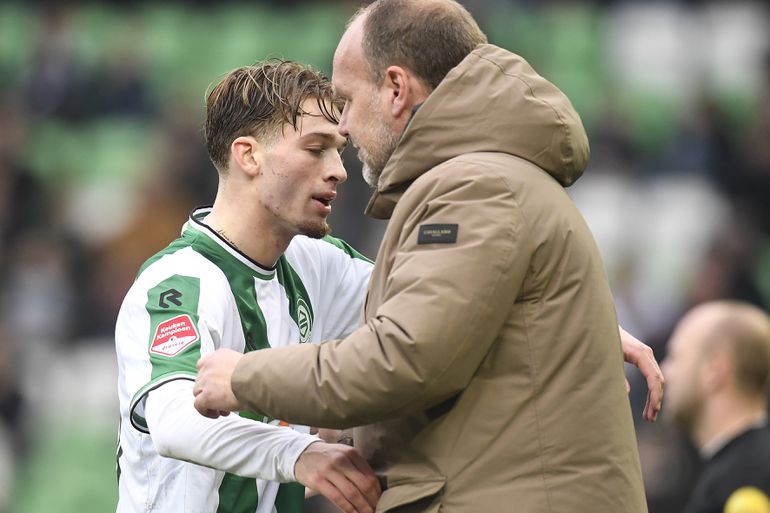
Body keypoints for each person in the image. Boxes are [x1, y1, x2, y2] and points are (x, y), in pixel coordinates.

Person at [194, 1, 659, 512]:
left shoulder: (474, 187)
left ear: (396, 89)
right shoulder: (485, 178)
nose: (345, 128)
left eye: (347, 100)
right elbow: (448, 325)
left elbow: (404, 358)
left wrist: (242, 377)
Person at [115, 61, 381, 513]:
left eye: (339, 150)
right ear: (249, 156)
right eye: (316, 149)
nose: (339, 170)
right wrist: (299, 453)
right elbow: (174, 422)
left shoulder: (316, 263)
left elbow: (418, 307)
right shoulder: (179, 282)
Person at [663, 300, 770, 513]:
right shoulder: (727, 473)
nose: (664, 372)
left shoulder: (738, 481)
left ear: (715, 370)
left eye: (676, 357)